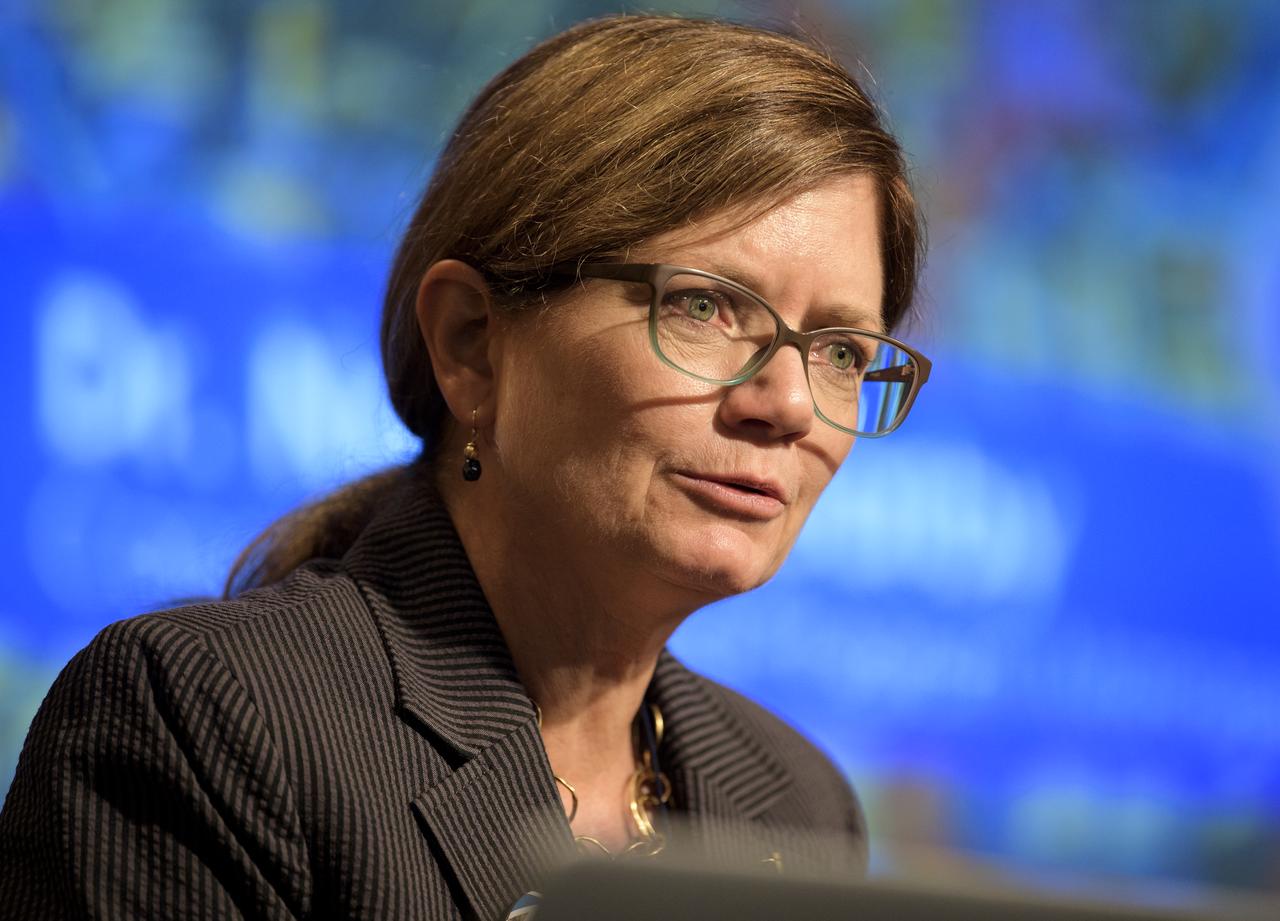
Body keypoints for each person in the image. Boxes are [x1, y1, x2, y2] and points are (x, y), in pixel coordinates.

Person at [0, 13, 929, 920]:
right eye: (704, 307)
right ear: (472, 342)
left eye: (844, 352)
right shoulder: (208, 722)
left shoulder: (801, 806)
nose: (792, 405)